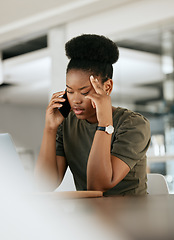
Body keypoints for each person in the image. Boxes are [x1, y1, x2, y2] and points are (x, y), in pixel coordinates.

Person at [34, 34, 151, 195]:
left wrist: (104, 123)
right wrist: (50, 128)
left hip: (131, 215)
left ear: (107, 87)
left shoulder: (133, 125)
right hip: (89, 215)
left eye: (84, 92)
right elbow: (44, 185)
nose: (75, 100)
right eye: (69, 91)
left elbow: (98, 185)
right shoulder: (67, 123)